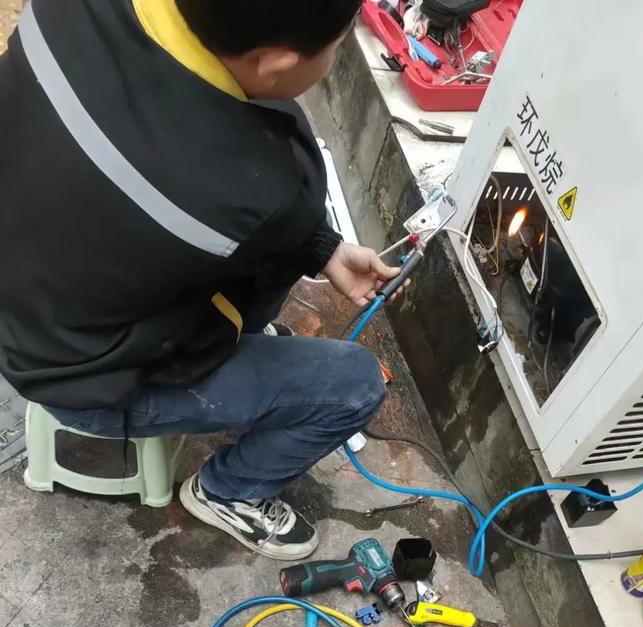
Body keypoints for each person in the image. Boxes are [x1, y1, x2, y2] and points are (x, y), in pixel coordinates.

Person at [0, 0, 400, 560]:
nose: (334, 58)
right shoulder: (259, 185)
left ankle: (237, 362)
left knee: (252, 262)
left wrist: (322, 247)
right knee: (354, 384)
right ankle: (228, 491)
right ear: (275, 61)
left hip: (30, 278)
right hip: (79, 378)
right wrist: (307, 236)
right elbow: (274, 194)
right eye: (338, 46)